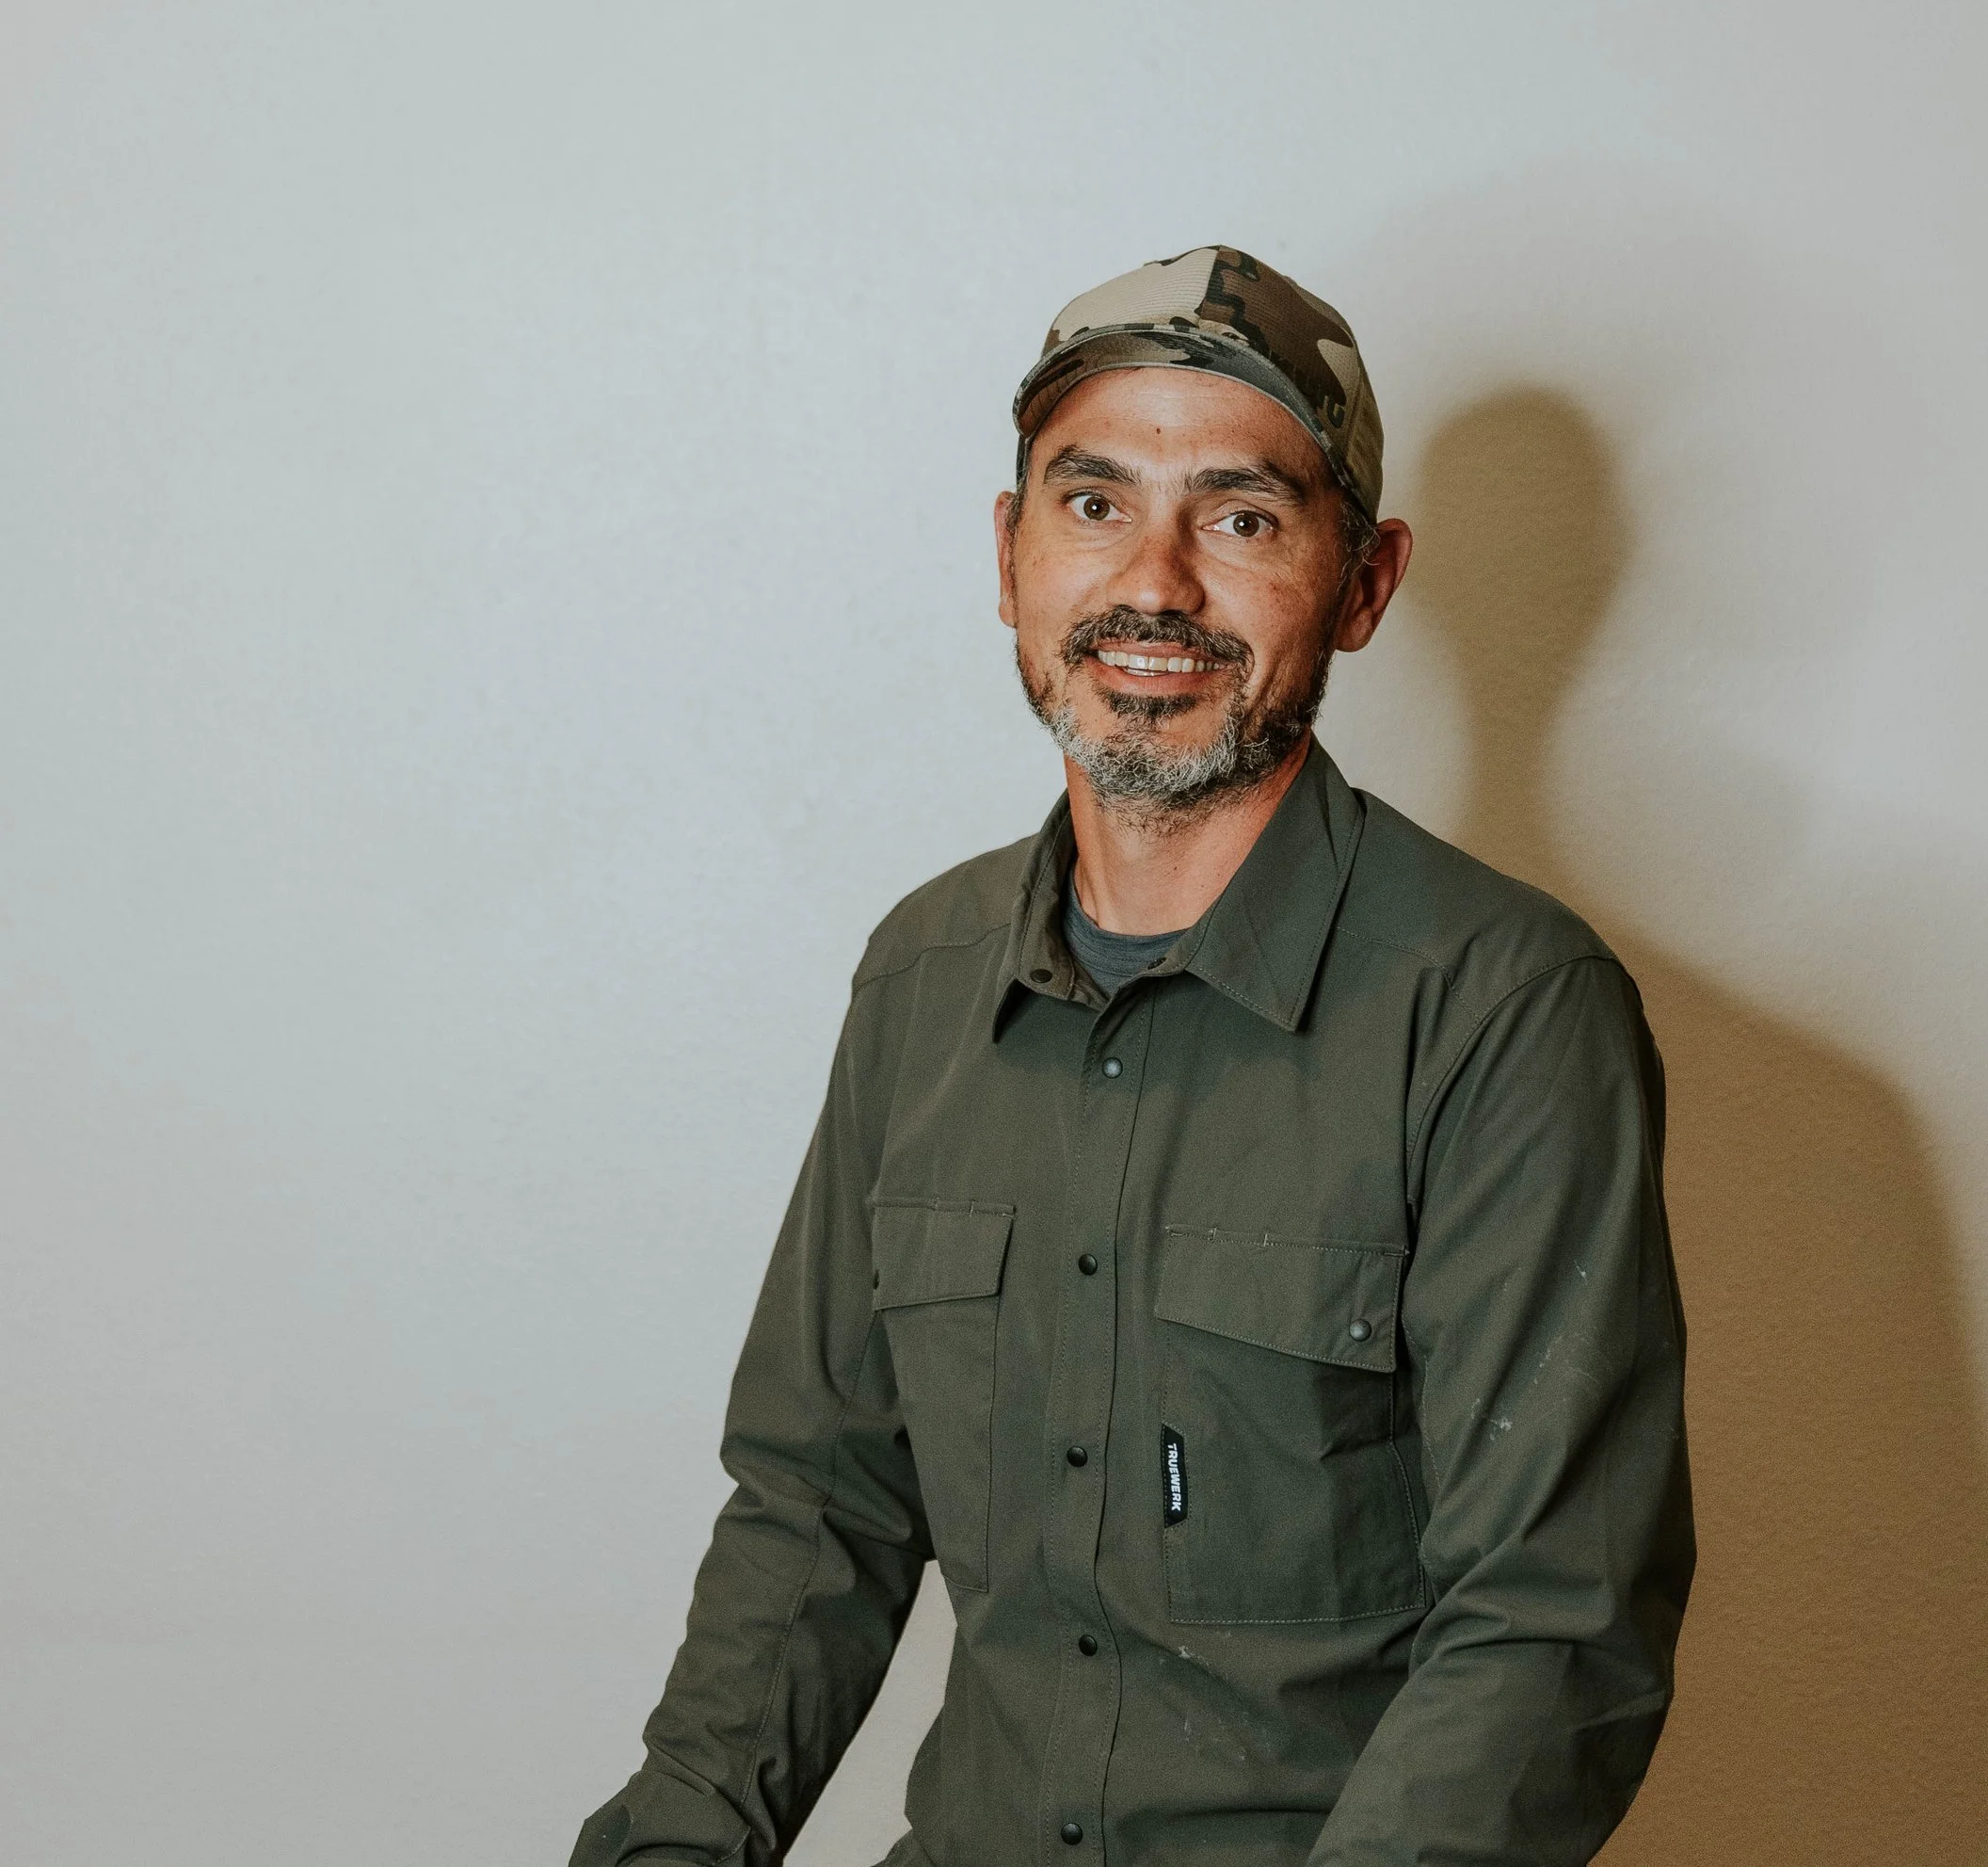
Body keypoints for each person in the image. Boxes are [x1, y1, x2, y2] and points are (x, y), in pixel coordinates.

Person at [570, 247, 1692, 1867]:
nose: (1153, 585)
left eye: (1240, 518)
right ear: (1010, 554)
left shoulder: (1505, 1011)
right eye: (1093, 505)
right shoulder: (922, 978)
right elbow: (822, 1507)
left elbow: (1552, 1626)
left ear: (1365, 585)